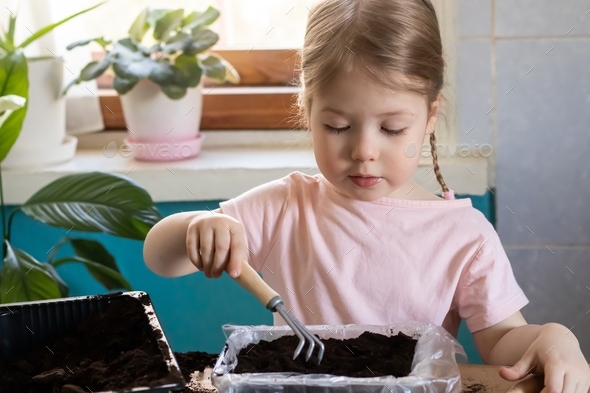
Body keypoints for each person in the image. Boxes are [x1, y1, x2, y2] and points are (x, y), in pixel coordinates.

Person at [143, 1, 590, 392]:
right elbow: (160, 259)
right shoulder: (285, 207)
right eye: (337, 126)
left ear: (430, 116)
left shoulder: (464, 234)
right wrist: (195, 229)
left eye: (392, 129)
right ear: (308, 107)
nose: (363, 152)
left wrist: (551, 338)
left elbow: (501, 342)